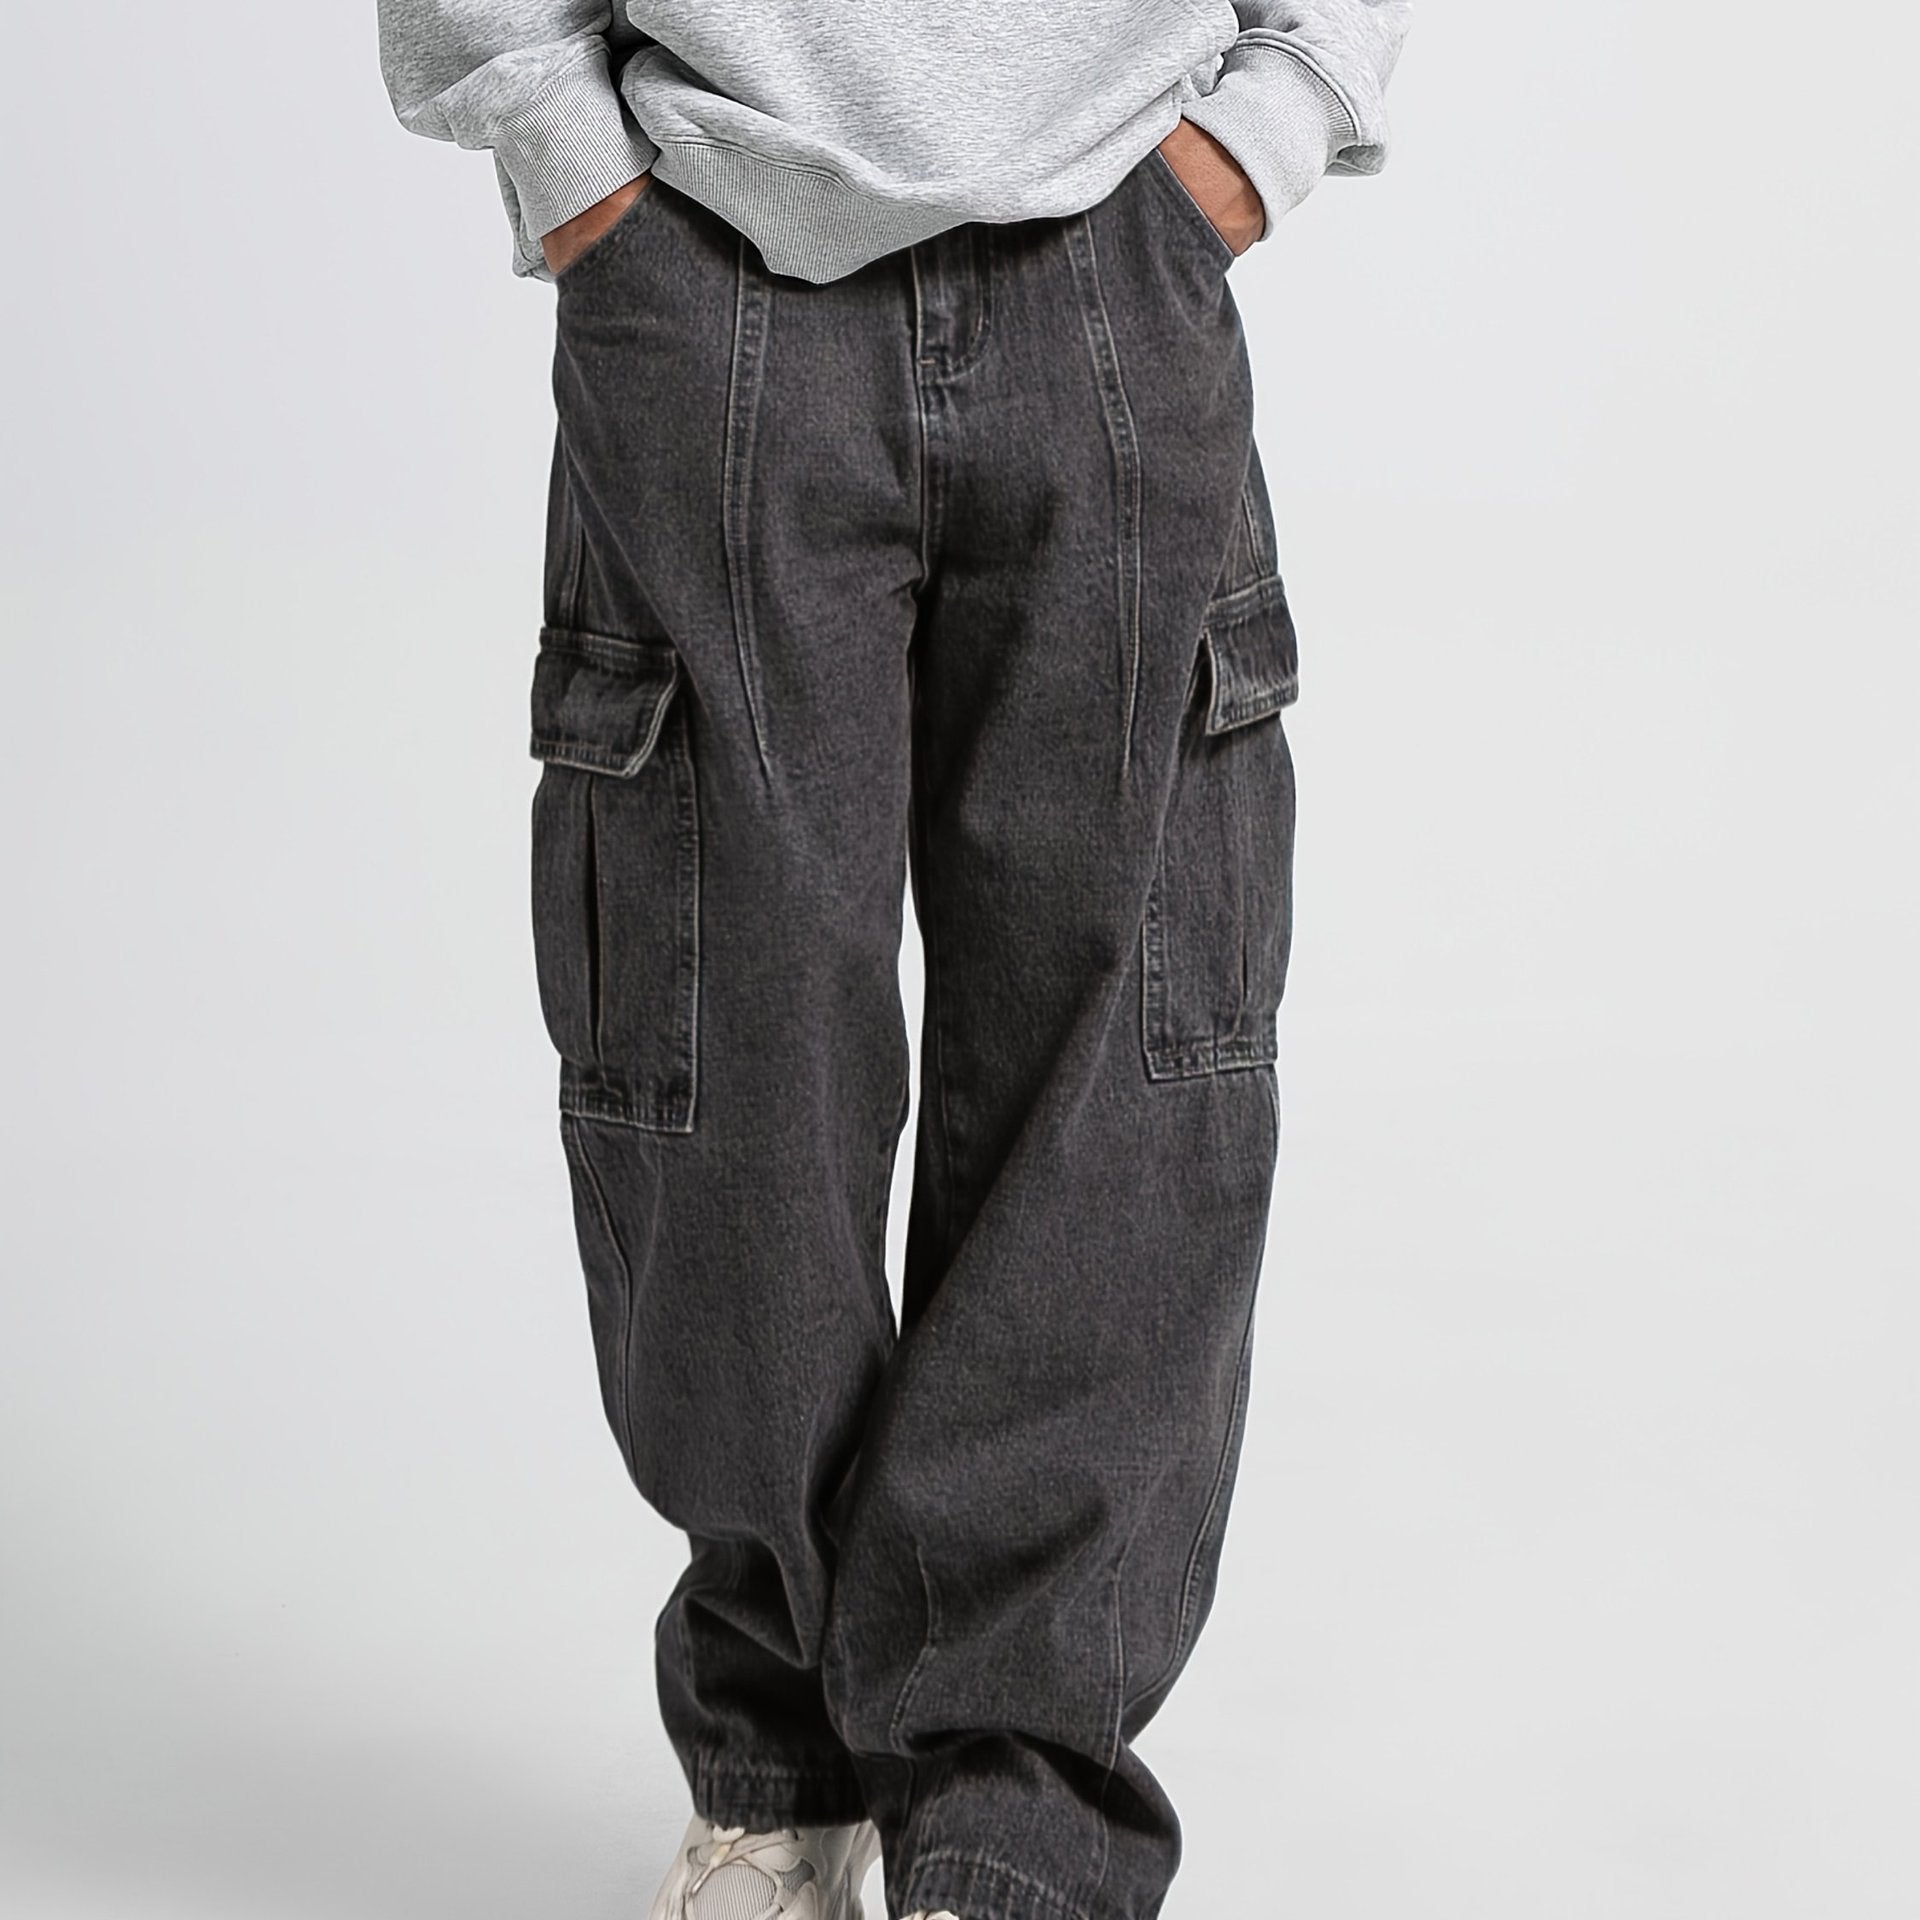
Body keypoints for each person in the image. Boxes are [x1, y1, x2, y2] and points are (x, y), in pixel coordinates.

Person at [376, 5, 1411, 1916]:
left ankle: (1015, 1821)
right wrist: (567, 156)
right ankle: (780, 1756)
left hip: (1118, 251)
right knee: (720, 1066)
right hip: (705, 262)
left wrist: (1266, 127)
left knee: (1117, 1079)